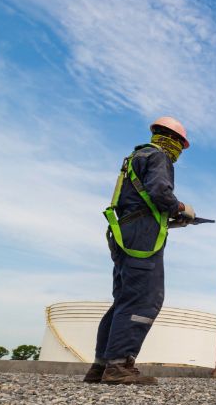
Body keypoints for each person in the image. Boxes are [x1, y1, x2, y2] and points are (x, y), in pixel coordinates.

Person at [83, 117, 195, 385]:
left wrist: (166, 217)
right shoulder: (159, 157)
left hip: (125, 232)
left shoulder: (134, 157)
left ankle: (101, 366)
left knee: (123, 299)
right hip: (141, 234)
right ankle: (119, 366)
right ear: (176, 141)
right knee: (144, 298)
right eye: (181, 146)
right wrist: (180, 209)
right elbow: (159, 192)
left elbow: (139, 199)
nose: (179, 152)